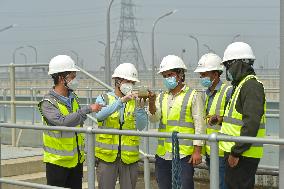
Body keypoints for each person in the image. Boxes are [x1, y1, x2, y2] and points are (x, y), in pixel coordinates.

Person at [38, 55, 103, 189]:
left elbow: (77, 119)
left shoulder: (73, 97)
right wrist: (87, 109)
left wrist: (83, 113)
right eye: (72, 77)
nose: (75, 80)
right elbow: (62, 122)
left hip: (75, 160)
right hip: (57, 162)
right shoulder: (47, 103)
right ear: (62, 78)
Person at [148, 55, 206, 189]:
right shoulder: (161, 96)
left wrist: (197, 150)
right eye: (165, 75)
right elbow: (154, 118)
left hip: (184, 154)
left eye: (171, 74)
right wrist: (151, 103)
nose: (168, 78)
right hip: (163, 154)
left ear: (180, 74)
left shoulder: (193, 95)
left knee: (184, 186)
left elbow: (199, 124)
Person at [219, 42, 266, 189]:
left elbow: (251, 123)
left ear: (240, 63)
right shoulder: (240, 85)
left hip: (243, 155)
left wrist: (236, 152)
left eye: (228, 65)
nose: (228, 70)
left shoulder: (251, 86)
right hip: (237, 153)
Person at [94, 63, 148, 189]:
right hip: (107, 157)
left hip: (129, 158)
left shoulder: (134, 102)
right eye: (127, 81)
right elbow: (99, 115)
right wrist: (121, 101)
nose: (130, 84)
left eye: (132, 82)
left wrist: (140, 108)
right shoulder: (104, 98)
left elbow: (141, 126)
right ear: (117, 81)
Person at [194, 53, 232, 189]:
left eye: (204, 75)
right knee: (215, 184)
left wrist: (220, 119)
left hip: (223, 151)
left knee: (222, 185)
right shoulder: (206, 94)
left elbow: (236, 119)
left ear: (215, 75)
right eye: (201, 75)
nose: (202, 78)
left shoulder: (228, 91)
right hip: (211, 150)